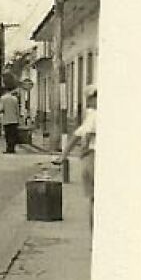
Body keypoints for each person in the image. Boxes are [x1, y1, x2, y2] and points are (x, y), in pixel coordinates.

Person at [55, 84, 97, 230]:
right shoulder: (96, 114)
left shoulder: (94, 114)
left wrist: (64, 155)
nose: (89, 103)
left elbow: (79, 137)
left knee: (94, 199)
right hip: (94, 157)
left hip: (92, 157)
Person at [0, 86, 20, 154]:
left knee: (7, 135)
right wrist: (18, 118)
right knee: (13, 135)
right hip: (14, 119)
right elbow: (17, 110)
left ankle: (8, 148)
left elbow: (1, 109)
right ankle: (12, 148)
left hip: (6, 119)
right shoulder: (15, 99)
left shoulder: (3, 98)